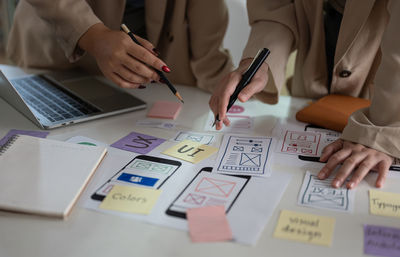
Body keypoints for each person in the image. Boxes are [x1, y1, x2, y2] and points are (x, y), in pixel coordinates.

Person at [209, 0, 400, 189]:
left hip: (385, 90)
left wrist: (382, 132)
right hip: (311, 82)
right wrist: (258, 62)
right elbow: (277, 8)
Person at [7, 0, 233, 92]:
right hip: (57, 45)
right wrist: (92, 35)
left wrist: (222, 78)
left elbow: (208, 19)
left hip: (155, 65)